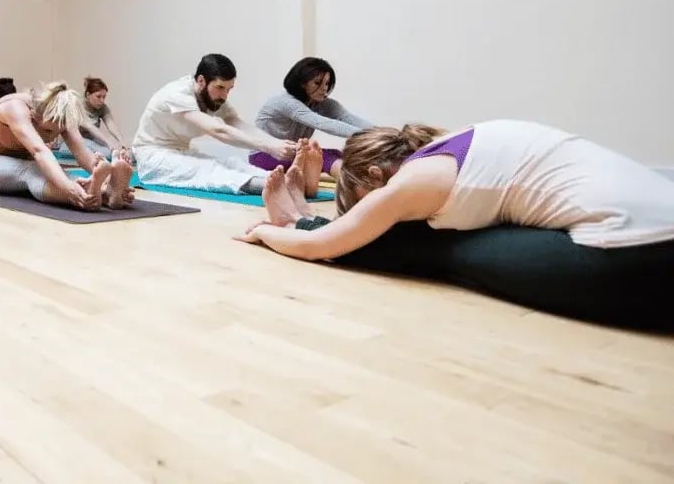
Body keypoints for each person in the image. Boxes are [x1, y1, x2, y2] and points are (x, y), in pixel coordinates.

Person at [234, 120, 674, 329]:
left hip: (637, 261)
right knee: (447, 230)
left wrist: (268, 233)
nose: (372, 210)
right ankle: (301, 219)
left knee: (436, 247)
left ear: (374, 177)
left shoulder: (412, 183)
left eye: (361, 202)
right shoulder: (451, 143)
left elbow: (327, 247)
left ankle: (298, 221)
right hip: (656, 231)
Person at [132, 54, 298, 195]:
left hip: (181, 151)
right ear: (201, 80)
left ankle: (284, 180)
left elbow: (237, 124)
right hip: (152, 157)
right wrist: (269, 148)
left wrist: (276, 143)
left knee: (232, 163)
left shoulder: (214, 99)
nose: (224, 96)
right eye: (220, 87)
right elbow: (218, 130)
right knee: (207, 169)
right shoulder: (177, 94)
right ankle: (272, 186)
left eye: (229, 89)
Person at [0, 82, 134, 210]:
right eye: (47, 130)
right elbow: (39, 151)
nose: (51, 134)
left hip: (19, 166)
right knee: (34, 169)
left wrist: (108, 181)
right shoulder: (15, 108)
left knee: (53, 171)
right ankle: (87, 195)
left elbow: (82, 154)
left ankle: (105, 194)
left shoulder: (62, 116)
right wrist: (68, 189)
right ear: (34, 114)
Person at [250, 57, 373, 193]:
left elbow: (348, 118)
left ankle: (369, 182)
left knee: (338, 154)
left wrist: (385, 134)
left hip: (292, 153)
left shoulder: (323, 103)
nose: (324, 88)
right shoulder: (285, 102)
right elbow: (323, 123)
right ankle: (360, 187)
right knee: (322, 156)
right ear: (301, 83)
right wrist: (372, 137)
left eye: (327, 83)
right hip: (262, 156)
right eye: (317, 83)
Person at [55, 77, 130, 161]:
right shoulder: (77, 105)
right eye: (98, 96)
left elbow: (110, 123)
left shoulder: (102, 107)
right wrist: (108, 143)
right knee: (106, 152)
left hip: (90, 140)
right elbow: (89, 126)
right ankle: (118, 156)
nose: (102, 100)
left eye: (104, 97)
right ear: (88, 95)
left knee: (116, 148)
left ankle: (121, 155)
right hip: (69, 143)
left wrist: (121, 141)